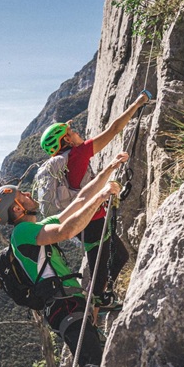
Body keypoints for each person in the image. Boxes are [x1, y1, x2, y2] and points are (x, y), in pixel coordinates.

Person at [0, 153, 128, 367]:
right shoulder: (22, 233)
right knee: (93, 363)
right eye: (23, 194)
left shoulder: (34, 226)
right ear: (18, 207)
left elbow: (76, 207)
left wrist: (108, 170)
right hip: (63, 307)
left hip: (68, 304)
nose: (29, 195)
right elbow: (65, 231)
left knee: (88, 362)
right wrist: (103, 194)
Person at [39, 90, 152, 312]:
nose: (77, 132)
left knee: (117, 256)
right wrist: (137, 104)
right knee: (103, 262)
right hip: (92, 220)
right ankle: (96, 302)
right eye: (72, 131)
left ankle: (98, 297)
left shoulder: (62, 162)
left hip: (80, 220)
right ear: (67, 140)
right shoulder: (78, 154)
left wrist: (66, 127)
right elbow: (114, 130)